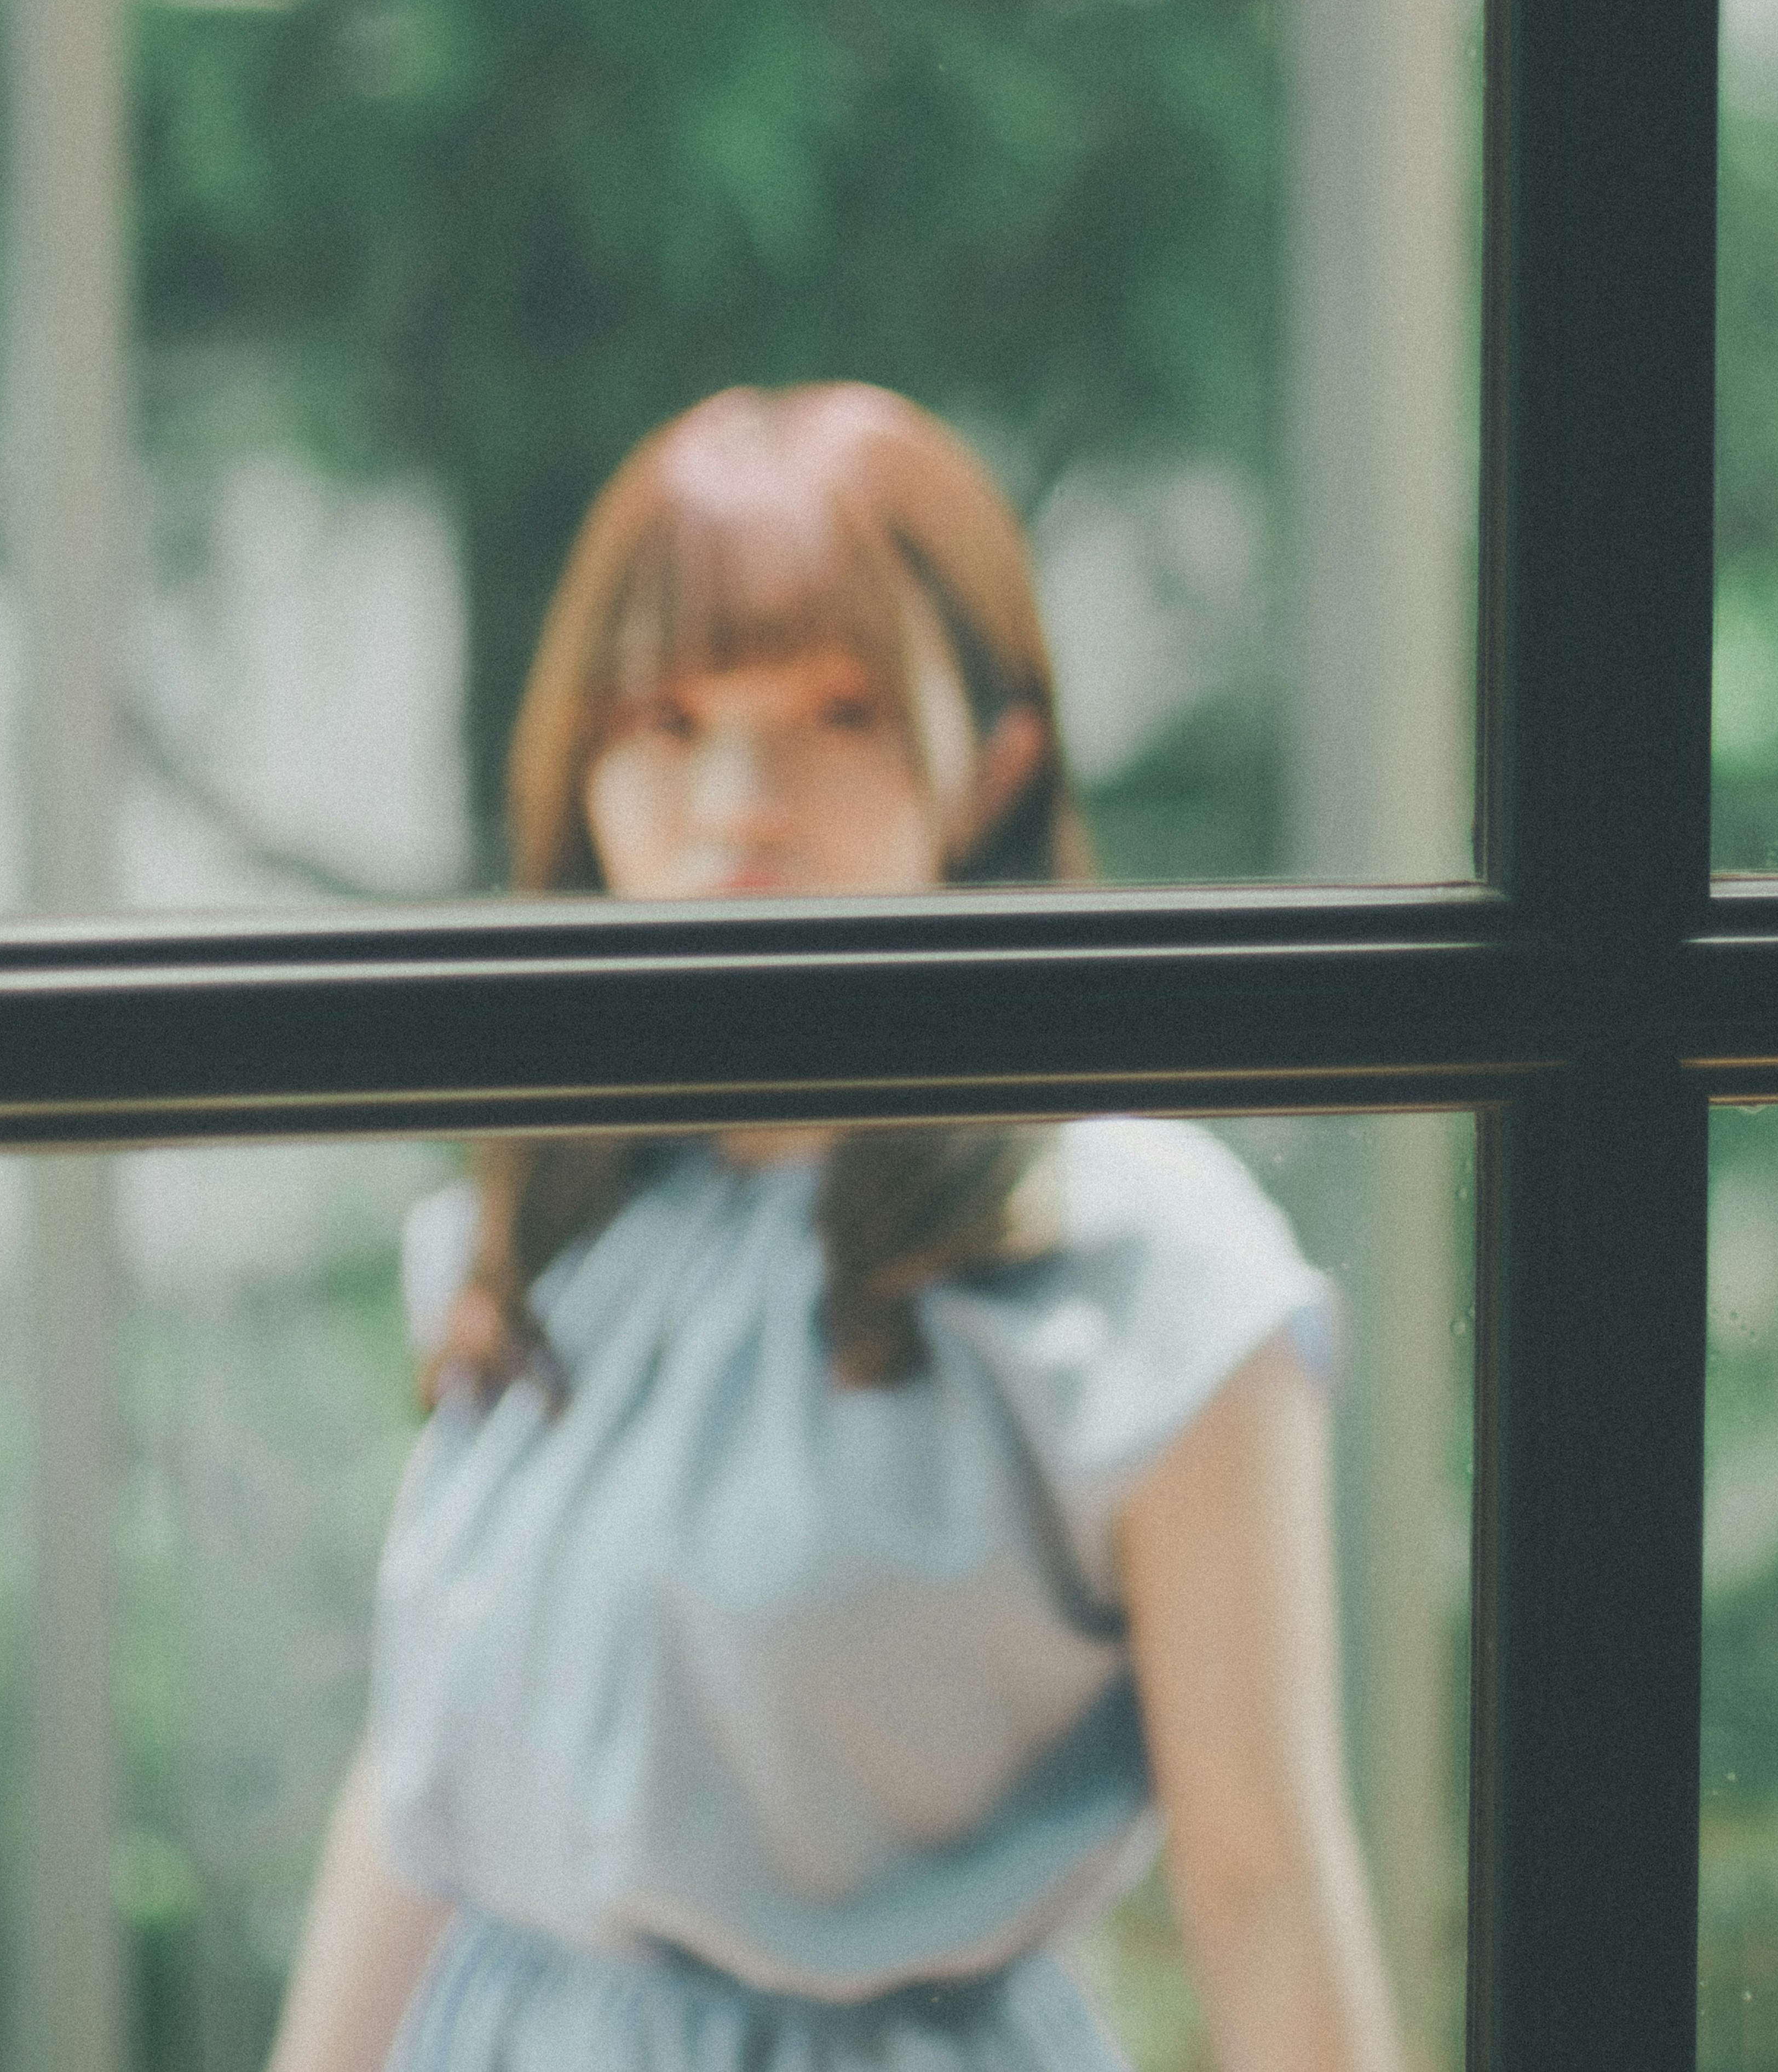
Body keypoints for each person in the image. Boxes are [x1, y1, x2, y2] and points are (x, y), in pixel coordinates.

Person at [266, 386, 1402, 2072]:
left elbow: (1262, 1887)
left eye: (840, 712)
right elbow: (424, 1791)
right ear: (579, 768)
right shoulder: (547, 1219)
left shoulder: (1142, 1268)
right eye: (663, 718)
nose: (740, 796)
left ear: (991, 767)